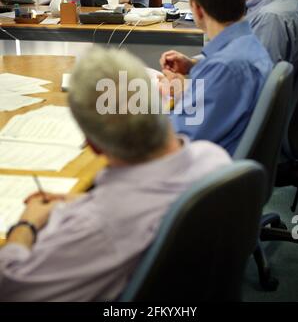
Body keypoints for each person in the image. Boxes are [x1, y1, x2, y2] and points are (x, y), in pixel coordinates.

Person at [0, 47, 231, 301]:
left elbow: (12, 289)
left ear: (93, 145)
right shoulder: (214, 158)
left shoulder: (96, 226)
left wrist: (25, 226)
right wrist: (79, 201)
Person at [159, 0, 273, 155]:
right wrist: (189, 84)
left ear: (197, 9)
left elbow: (174, 142)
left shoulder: (225, 67)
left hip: (199, 174)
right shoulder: (248, 44)